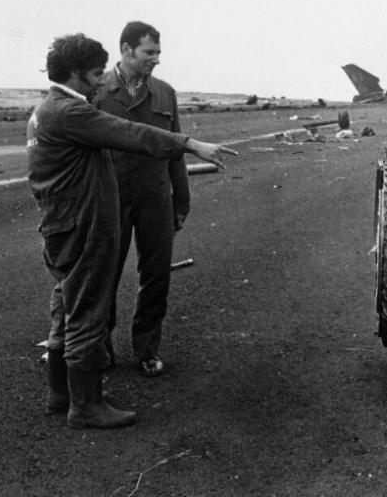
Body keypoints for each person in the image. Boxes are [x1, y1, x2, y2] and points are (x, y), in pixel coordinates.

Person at [28, 33, 237, 429]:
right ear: (74, 73)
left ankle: (61, 394)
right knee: (88, 310)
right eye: (93, 75)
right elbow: (131, 133)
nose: (97, 83)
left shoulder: (46, 108)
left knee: (68, 305)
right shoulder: (71, 112)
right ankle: (86, 406)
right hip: (83, 226)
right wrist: (190, 143)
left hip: (62, 223)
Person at [93, 21, 185, 378]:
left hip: (155, 198)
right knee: (105, 275)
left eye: (159, 52)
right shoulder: (97, 91)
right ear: (126, 50)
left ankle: (146, 349)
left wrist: (181, 201)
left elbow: (175, 150)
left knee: (157, 276)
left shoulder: (165, 93)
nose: (157, 59)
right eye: (150, 52)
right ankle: (100, 347)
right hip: (109, 199)